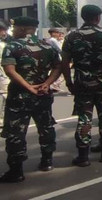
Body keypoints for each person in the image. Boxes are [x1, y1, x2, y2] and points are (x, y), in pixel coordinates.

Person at [0, 17, 61, 182]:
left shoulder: (13, 46)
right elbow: (58, 67)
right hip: (43, 95)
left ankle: (16, 170)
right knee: (46, 127)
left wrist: (28, 87)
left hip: (19, 97)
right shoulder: (47, 46)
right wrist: (47, 83)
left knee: (16, 133)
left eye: (15, 28)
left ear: (21, 29)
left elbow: (9, 70)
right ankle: (47, 161)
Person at [61, 5, 102, 166]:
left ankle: (83, 155)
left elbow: (65, 62)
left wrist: (69, 82)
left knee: (84, 118)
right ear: (98, 18)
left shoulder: (72, 36)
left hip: (82, 83)